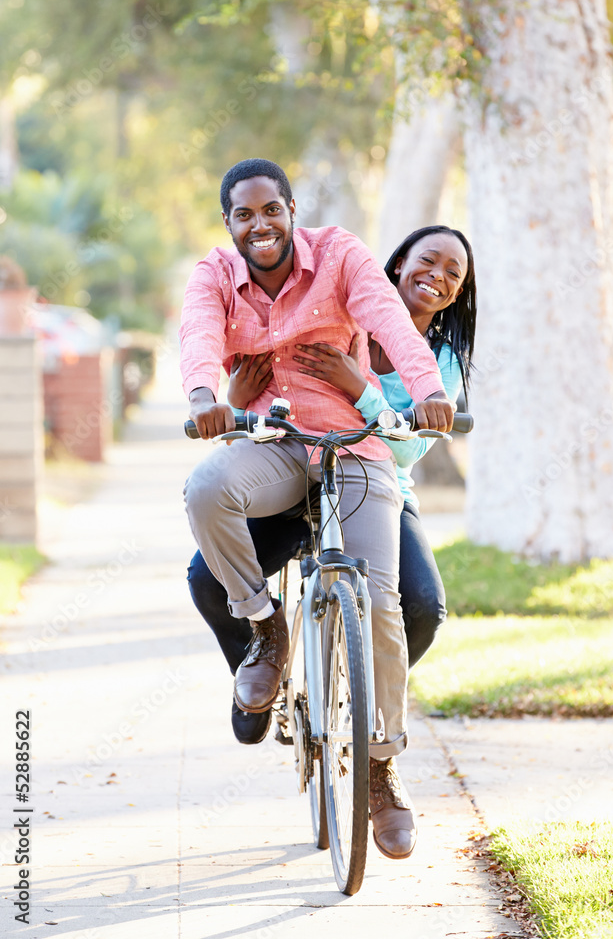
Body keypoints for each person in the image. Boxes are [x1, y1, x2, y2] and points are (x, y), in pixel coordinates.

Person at [180, 158, 455, 861]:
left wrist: (427, 391)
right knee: (207, 490)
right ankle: (266, 631)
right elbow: (199, 338)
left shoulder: (340, 256)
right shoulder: (213, 274)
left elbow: (389, 322)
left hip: (356, 445)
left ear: (291, 209)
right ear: (229, 224)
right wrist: (206, 400)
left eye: (270, 209)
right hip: (276, 439)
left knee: (385, 601)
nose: (259, 224)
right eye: (244, 214)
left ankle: (380, 768)